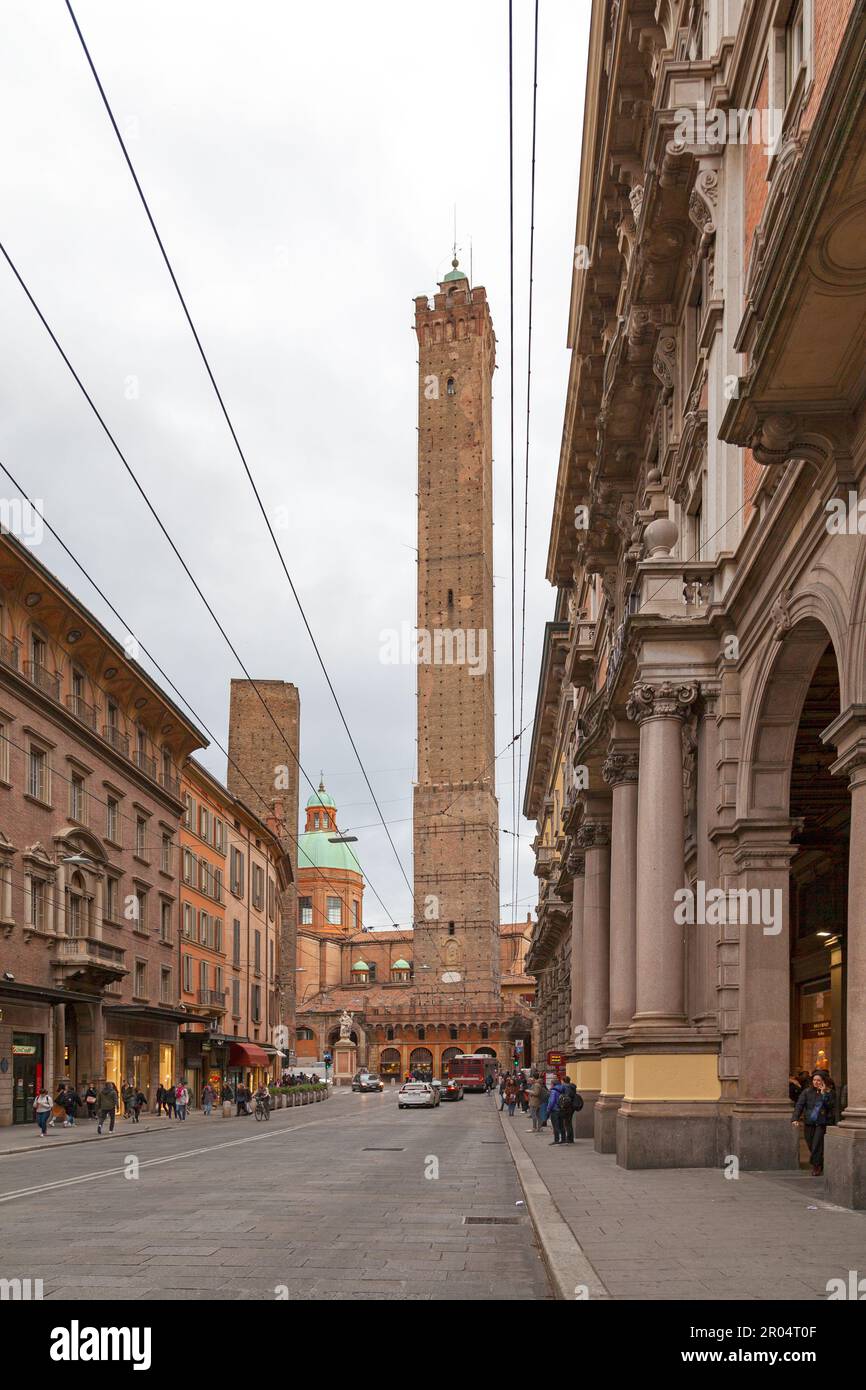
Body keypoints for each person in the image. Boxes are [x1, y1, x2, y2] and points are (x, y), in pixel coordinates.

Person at [793, 1071, 838, 1175]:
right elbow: (799, 1105)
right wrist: (795, 1118)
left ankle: (816, 1166)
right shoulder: (807, 1092)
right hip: (809, 1122)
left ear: (823, 1081)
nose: (816, 1082)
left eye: (818, 1080)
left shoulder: (830, 1093)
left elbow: (830, 1106)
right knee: (810, 1144)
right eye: (814, 1080)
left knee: (817, 1145)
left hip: (822, 1123)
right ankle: (820, 1162)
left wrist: (823, 1094)